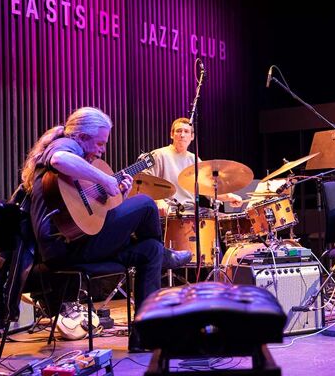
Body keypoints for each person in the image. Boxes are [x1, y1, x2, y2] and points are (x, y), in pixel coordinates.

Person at [20, 107, 190, 312]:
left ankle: (146, 326)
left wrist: (121, 195)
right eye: (100, 143)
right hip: (65, 249)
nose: (103, 150)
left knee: (150, 250)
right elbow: (59, 159)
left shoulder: (79, 160)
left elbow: (92, 216)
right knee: (146, 204)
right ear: (82, 137)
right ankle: (165, 255)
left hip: (81, 242)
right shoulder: (66, 144)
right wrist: (105, 179)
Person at [144, 117, 242, 213]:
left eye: (186, 131)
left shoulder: (194, 160)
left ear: (192, 136)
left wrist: (230, 196)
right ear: (172, 135)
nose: (182, 135)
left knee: (222, 219)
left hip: (192, 211)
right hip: (169, 211)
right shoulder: (158, 155)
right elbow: (143, 182)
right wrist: (158, 201)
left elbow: (209, 190)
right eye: (179, 131)